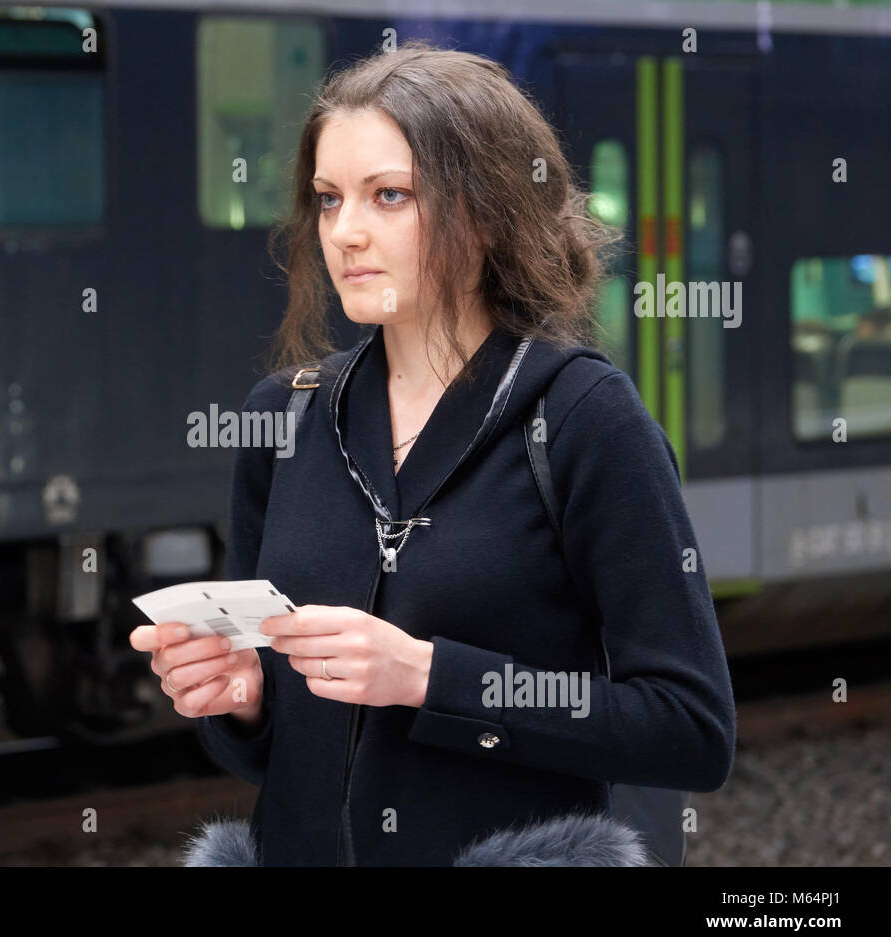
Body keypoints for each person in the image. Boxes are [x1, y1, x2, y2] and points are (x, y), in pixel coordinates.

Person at [129, 41, 735, 866]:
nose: (345, 232)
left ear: (485, 211)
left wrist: (428, 676)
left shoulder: (589, 421)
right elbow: (275, 755)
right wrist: (240, 703)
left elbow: (690, 730)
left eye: (389, 196)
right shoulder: (284, 418)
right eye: (328, 198)